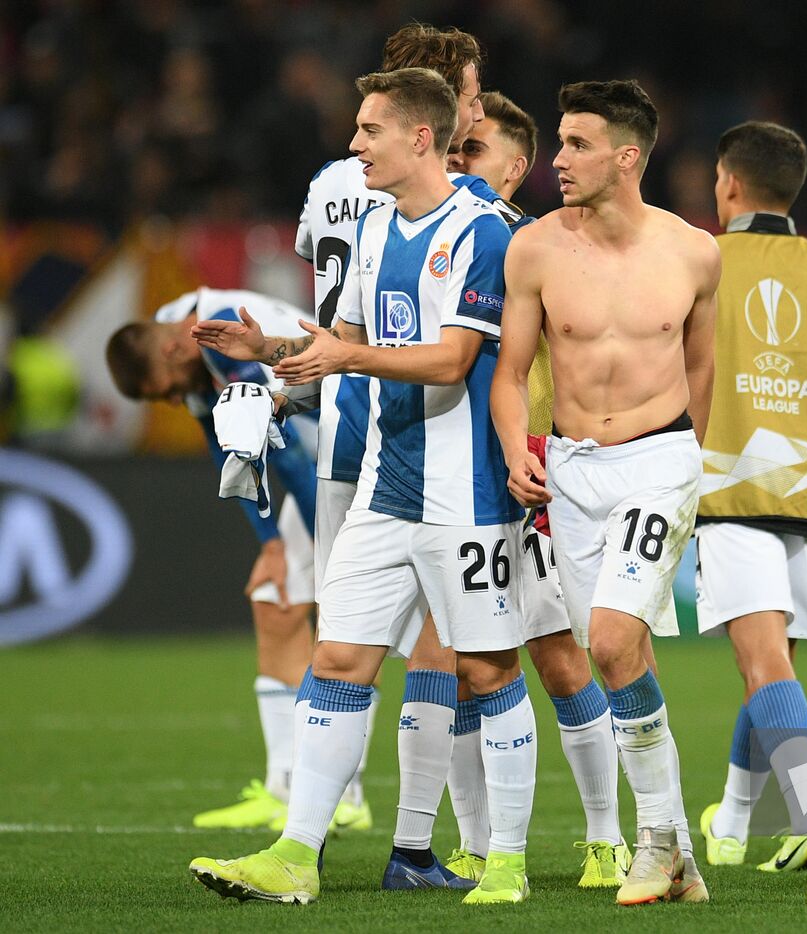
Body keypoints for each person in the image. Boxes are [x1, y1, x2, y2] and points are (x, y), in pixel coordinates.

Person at [189, 67, 534, 907]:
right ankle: (295, 855)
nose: (354, 145)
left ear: (420, 137)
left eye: (369, 130)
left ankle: (508, 863)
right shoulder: (376, 226)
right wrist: (268, 352)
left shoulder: (484, 231)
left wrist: (345, 354)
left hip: (468, 495)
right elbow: (337, 341)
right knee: (339, 658)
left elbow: (452, 361)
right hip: (385, 487)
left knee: (489, 670)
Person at [490, 79, 719, 906]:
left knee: (615, 642)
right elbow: (510, 373)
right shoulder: (535, 250)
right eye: (560, 142)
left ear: (627, 157)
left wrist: (688, 465)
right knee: (617, 657)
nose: (557, 160)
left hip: (658, 461)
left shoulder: (694, 252)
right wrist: (516, 450)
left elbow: (703, 369)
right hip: (571, 470)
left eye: (577, 144)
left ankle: (653, 843)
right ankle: (682, 857)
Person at [283, 22, 489, 892]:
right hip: (398, 446)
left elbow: (336, 317)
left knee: (348, 640)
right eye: (471, 92)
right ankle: (395, 846)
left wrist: (289, 366)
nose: (480, 107)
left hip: (353, 432)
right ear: (434, 110)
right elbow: (364, 332)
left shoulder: (333, 190)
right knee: (432, 654)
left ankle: (350, 837)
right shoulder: (459, 203)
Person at [102, 288, 374, 833]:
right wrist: (272, 545)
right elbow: (226, 445)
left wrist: (329, 547)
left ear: (175, 352)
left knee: (351, 627)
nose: (173, 401)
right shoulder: (174, 331)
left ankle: (346, 794)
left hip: (355, 451)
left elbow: (283, 450)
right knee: (275, 600)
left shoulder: (219, 329)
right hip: (320, 457)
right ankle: (284, 788)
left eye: (167, 391)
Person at [456, 88, 631, 889]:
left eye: (474, 150)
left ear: (515, 167)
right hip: (453, 480)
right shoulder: (442, 239)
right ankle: (475, 842)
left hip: (531, 469)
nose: (458, 161)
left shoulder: (537, 247)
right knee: (465, 663)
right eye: (454, 149)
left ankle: (605, 837)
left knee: (559, 659)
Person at [692, 122, 807, 874]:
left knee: (763, 669)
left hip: (728, 492)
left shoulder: (700, 260)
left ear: (728, 183)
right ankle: (731, 820)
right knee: (773, 667)